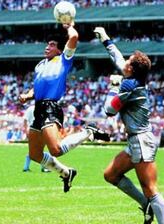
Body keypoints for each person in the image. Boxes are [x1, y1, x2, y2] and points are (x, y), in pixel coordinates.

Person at [19, 22, 109, 193]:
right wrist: (27, 95)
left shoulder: (63, 60)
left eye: (52, 45)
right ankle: (66, 173)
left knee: (56, 149)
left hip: (51, 107)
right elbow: (37, 86)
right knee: (35, 155)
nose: (47, 47)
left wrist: (69, 25)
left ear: (60, 50)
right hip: (38, 107)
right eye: (47, 44)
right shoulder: (40, 65)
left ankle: (88, 132)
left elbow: (74, 37)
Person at [94, 27, 164, 224]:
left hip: (141, 141)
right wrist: (105, 39)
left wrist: (112, 88)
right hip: (136, 140)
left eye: (128, 62)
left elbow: (109, 111)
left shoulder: (129, 85)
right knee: (110, 174)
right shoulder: (132, 78)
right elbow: (118, 59)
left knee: (151, 188)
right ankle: (146, 204)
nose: (124, 62)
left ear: (131, 69)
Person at [22, 104, 50, 173]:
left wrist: (26, 131)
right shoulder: (42, 109)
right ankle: (42, 167)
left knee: (35, 150)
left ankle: (26, 167)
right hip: (38, 130)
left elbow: (25, 120)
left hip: (34, 130)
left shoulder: (31, 108)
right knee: (37, 150)